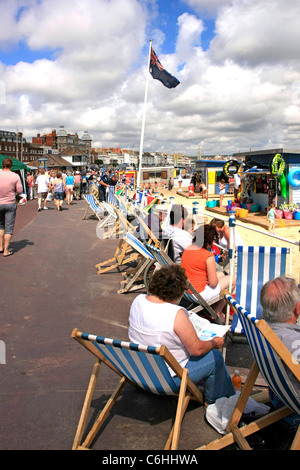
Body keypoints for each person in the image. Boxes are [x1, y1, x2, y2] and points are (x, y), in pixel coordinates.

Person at [128, 264, 235, 405]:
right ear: (177, 292)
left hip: (140, 371)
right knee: (214, 357)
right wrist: (215, 343)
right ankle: (217, 401)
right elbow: (197, 350)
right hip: (167, 379)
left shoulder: (138, 301)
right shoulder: (175, 314)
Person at [260, 276, 300, 433]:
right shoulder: (293, 342)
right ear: (297, 309)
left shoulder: (263, 331)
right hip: (294, 408)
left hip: (279, 396)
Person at [181, 225, 236, 319]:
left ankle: (215, 307)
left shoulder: (188, 248)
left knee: (222, 274)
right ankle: (217, 311)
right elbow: (213, 284)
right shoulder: (208, 256)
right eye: (214, 239)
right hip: (198, 294)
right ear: (209, 240)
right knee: (232, 279)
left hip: (186, 290)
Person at [0, 158, 23, 257]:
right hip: (10, 203)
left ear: (2, 165)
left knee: (0, 226)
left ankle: (0, 247)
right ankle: (6, 250)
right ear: (11, 165)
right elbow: (19, 190)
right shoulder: (15, 176)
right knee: (9, 227)